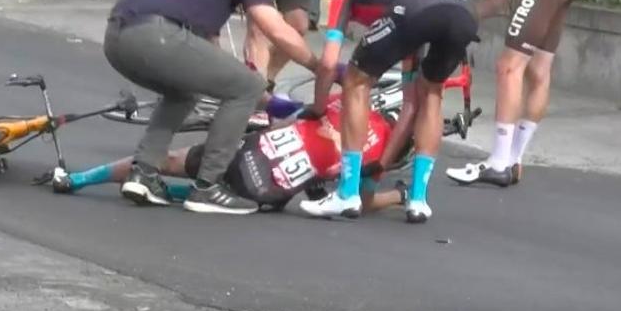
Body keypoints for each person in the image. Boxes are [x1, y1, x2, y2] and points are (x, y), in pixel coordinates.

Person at [106, 0, 330, 215]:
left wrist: (266, 101)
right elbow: (275, 29)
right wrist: (320, 67)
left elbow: (213, 67)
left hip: (118, 38)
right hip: (155, 34)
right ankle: (208, 186)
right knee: (246, 86)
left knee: (184, 93)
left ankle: (143, 173)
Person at [391, 0, 580, 187]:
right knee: (539, 72)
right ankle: (513, 161)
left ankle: (498, 163)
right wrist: (470, 18)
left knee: (508, 67)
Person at [300, 0, 479, 223]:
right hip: (463, 11)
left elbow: (327, 64)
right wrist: (378, 172)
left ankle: (347, 194)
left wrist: (317, 108)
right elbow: (410, 105)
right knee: (431, 94)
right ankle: (418, 200)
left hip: (414, 8)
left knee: (355, 81)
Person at [47, 91, 410, 214]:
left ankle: (78, 179)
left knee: (165, 162)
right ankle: (165, 191)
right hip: (265, 189)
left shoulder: (348, 102)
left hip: (249, 152)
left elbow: (296, 119)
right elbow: (361, 201)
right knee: (190, 186)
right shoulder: (377, 160)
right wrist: (398, 196)